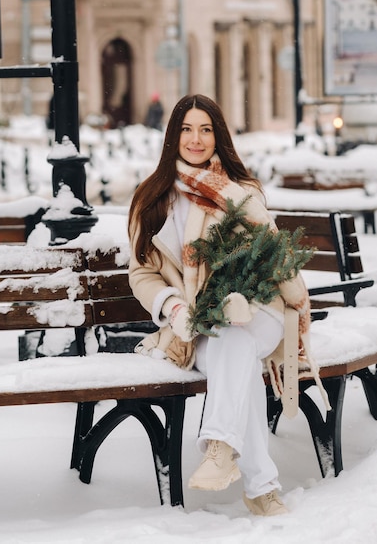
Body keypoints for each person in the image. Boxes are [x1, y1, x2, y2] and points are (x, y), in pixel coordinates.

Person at [128, 94, 329, 517]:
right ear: (172, 136)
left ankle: (221, 442)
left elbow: (272, 256)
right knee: (231, 349)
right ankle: (261, 487)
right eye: (186, 129)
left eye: (206, 129)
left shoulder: (239, 192)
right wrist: (173, 308)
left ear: (218, 135)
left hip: (262, 312)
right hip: (199, 326)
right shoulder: (152, 198)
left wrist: (238, 287)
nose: (196, 139)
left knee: (236, 329)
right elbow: (142, 274)